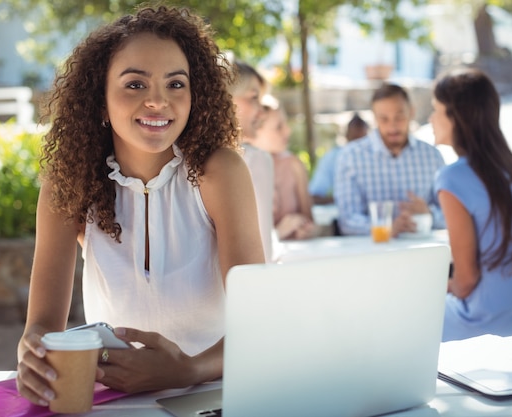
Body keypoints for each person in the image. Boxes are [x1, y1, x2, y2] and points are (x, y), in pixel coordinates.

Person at [16, 4, 265, 407]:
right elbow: (42, 326)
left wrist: (188, 369)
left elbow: (261, 321)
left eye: (175, 84)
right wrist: (32, 353)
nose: (157, 102)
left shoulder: (219, 172)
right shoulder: (69, 182)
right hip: (117, 401)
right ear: (99, 100)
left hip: (218, 393)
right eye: (135, 85)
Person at [431, 68, 512, 342]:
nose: (431, 118)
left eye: (436, 109)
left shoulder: (452, 177)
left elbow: (465, 281)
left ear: (456, 117)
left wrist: (435, 287)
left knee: (408, 309)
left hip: (486, 330)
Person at [334, 83, 446, 236]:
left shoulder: (432, 156)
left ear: (411, 113)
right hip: (373, 256)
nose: (392, 127)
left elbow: (451, 216)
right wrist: (386, 229)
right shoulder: (350, 157)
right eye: (384, 119)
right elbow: (348, 220)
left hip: (423, 253)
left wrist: (430, 215)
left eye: (399, 117)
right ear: (374, 119)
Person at [250, 95, 317, 240]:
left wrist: (305, 229)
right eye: (278, 127)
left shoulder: (293, 165)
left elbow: (311, 223)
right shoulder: (242, 169)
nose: (288, 131)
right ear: (255, 131)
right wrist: (278, 233)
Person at [228, 61, 276, 260]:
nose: (262, 111)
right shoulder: (255, 160)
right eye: (253, 97)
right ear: (224, 97)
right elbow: (263, 252)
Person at [309, 112, 369, 205]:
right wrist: (343, 199)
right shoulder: (332, 158)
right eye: (354, 139)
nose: (358, 146)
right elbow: (314, 196)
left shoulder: (377, 159)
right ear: (346, 137)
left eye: (362, 141)